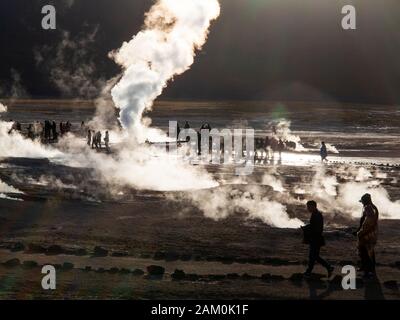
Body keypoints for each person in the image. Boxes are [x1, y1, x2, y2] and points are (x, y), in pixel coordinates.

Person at [302, 200, 334, 278]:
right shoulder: (315, 214)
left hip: (316, 238)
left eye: (308, 207)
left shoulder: (317, 215)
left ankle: (328, 267)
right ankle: (309, 271)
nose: (307, 208)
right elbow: (314, 226)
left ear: (313, 206)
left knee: (314, 256)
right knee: (313, 256)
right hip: (315, 238)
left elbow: (317, 228)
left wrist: (307, 228)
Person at [354, 193, 379, 278]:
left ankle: (367, 271)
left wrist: (361, 232)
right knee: (369, 251)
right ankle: (367, 268)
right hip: (371, 233)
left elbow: (367, 223)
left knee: (365, 252)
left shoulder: (368, 208)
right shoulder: (373, 207)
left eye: (363, 201)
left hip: (367, 234)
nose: (362, 203)